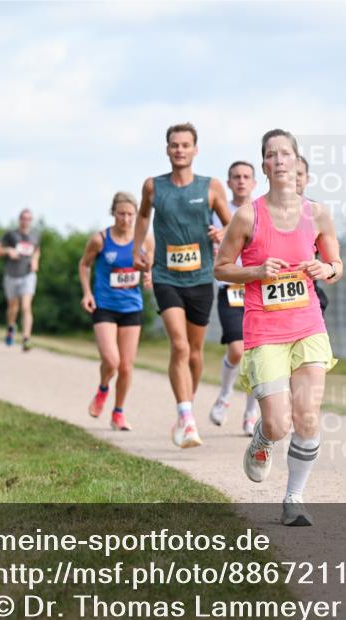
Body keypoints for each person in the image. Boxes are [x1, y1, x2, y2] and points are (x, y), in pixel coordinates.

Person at [214, 129, 343, 527]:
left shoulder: (317, 213)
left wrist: (326, 268)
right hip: (265, 330)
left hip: (308, 326)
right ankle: (263, 437)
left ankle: (294, 499)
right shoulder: (247, 216)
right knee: (278, 423)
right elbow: (221, 268)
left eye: (286, 153)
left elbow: (337, 265)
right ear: (265, 166)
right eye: (271, 154)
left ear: (296, 161)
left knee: (308, 417)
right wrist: (255, 271)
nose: (280, 160)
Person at [133, 122, 233, 448]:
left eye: (185, 145)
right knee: (179, 346)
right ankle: (187, 417)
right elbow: (143, 217)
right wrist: (136, 248)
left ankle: (185, 410)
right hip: (166, 276)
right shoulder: (153, 186)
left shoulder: (211, 187)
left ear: (195, 150)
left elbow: (234, 226)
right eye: (174, 145)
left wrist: (222, 233)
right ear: (167, 149)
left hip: (201, 278)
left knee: (194, 352)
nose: (179, 150)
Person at [80, 192, 153, 431]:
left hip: (132, 307)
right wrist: (87, 293)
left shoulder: (145, 240)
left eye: (130, 214)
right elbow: (84, 265)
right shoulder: (100, 239)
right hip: (105, 306)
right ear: (113, 213)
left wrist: (149, 276)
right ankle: (103, 389)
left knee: (126, 366)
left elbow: (151, 265)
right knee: (112, 361)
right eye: (121, 214)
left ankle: (118, 413)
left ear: (136, 215)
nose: (126, 219)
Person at [208, 160, 261, 435]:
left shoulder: (261, 211)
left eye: (246, 176)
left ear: (254, 182)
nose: (241, 181)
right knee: (237, 350)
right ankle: (225, 394)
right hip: (229, 289)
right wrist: (213, 239)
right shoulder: (217, 213)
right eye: (236, 177)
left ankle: (251, 412)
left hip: (257, 289)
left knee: (255, 355)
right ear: (228, 183)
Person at [0, 208, 41, 351]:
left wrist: (35, 260)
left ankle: (26, 339)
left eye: (28, 219)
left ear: (31, 221)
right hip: (11, 275)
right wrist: (8, 251)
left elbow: (37, 251)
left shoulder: (35, 236)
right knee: (13, 308)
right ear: (19, 220)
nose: (26, 221)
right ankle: (11, 327)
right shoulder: (10, 234)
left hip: (28, 275)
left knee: (26, 307)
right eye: (23, 218)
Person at [296, 154, 329, 315]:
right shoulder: (261, 211)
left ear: (307, 178)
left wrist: (326, 268)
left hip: (308, 290)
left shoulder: (316, 211)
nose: (295, 178)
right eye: (291, 173)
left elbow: (333, 261)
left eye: (299, 174)